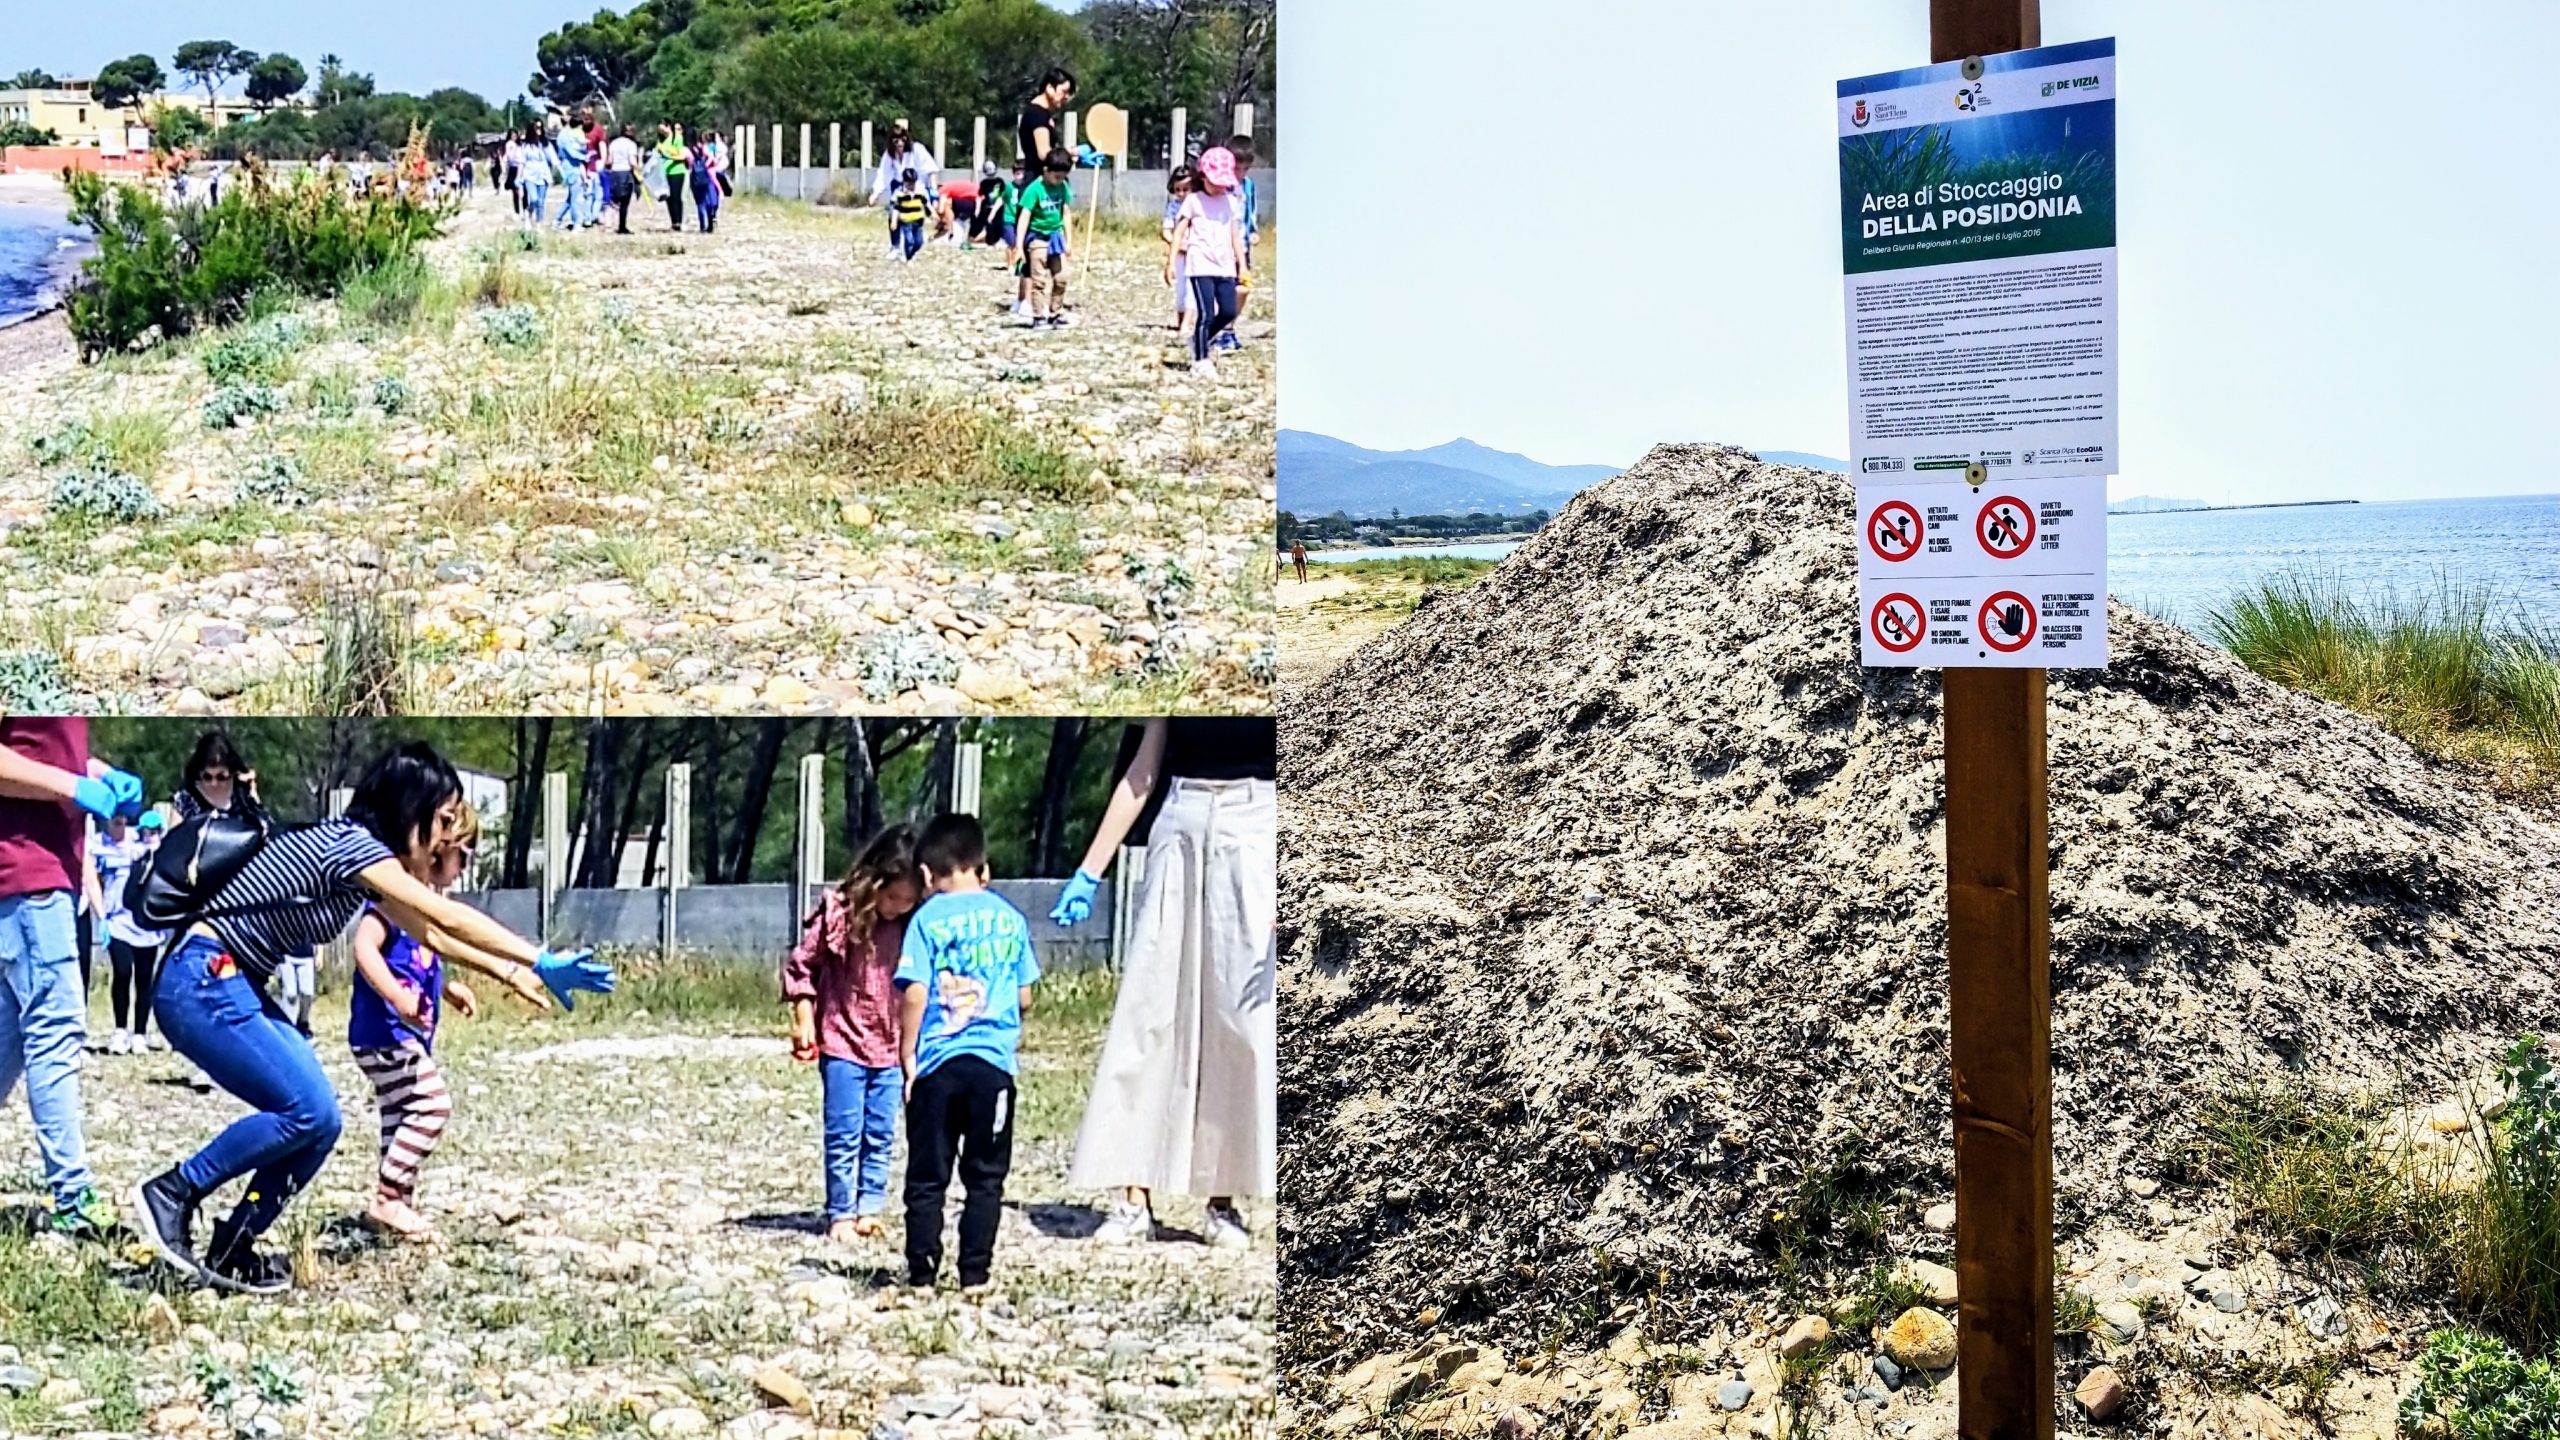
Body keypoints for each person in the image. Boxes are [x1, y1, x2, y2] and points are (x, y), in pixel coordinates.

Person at [128, 741, 618, 1295]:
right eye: (444, 818)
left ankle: (236, 1241)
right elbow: (443, 914)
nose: (445, 838)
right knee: (304, 1111)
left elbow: (429, 933)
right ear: (412, 808)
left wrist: (511, 972)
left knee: (321, 1122)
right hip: (202, 977)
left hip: (226, 980)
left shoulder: (360, 861)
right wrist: (538, 955)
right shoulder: (351, 845)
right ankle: (175, 1191)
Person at [1054, 718, 1276, 1249]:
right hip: (1179, 821)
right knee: (1150, 1012)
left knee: (1239, 1023)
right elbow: (1141, 772)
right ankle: (1133, 1198)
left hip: (1258, 822)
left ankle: (1222, 1200)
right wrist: (1090, 870)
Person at [0, 718, 140, 1238]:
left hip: (35, 878)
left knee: (10, 1042)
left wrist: (98, 774)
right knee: (55, 1035)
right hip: (31, 875)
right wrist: (72, 787)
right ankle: (72, 1195)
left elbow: (37, 750)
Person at [348, 801, 503, 1241]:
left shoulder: (428, 902)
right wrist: (397, 996)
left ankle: (394, 1210)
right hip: (385, 1032)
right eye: (464, 855)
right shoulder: (396, 896)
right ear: (439, 850)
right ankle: (388, 1196)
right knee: (433, 1104)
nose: (462, 867)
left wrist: (447, 988)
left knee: (400, 1114)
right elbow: (365, 946)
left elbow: (421, 958)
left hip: (397, 1032)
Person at [897, 814, 1040, 1291]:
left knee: (927, 1175)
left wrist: (907, 1054)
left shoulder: (925, 919)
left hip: (938, 1064)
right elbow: (1024, 996)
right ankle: (974, 1273)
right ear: (983, 868)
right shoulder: (1011, 919)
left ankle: (921, 1270)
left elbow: (915, 991)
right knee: (985, 1177)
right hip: (993, 1068)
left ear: (925, 874)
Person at [785, 825, 923, 1244]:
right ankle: (841, 1212)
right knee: (844, 1129)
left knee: (881, 1131)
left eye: (907, 900)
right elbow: (801, 966)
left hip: (891, 1047)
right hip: (841, 1039)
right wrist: (804, 1017)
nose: (897, 908)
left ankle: (870, 1207)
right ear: (873, 881)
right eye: (891, 897)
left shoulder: (916, 926)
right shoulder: (840, 914)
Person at [92, 806, 167, 1055]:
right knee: (122, 972)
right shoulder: (107, 846)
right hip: (117, 921)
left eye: (154, 830)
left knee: (145, 978)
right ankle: (120, 1030)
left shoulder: (159, 851)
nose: (149, 834)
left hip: (147, 923)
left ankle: (140, 1034)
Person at [1169, 147, 1248, 376]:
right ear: (1203, 177)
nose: (1220, 187)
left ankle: (1198, 340)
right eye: (1215, 182)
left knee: (1228, 311)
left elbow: (1235, 235)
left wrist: (1241, 265)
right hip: (1200, 264)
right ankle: (1201, 360)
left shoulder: (1230, 202)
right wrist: (1171, 262)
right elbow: (1179, 231)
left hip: (1224, 265)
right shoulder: (1194, 201)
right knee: (1206, 314)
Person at [1011, 70, 1074, 313]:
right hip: (1037, 182)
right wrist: (1071, 155)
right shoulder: (1037, 115)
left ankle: (1023, 300)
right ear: (1049, 87)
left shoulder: (1043, 115)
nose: (1065, 98)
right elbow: (1043, 152)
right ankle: (1026, 301)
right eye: (1064, 91)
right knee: (1033, 243)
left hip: (1042, 179)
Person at [1007, 148, 1075, 329]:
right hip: (1037, 238)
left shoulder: (1063, 187)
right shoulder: (1034, 190)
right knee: (1039, 279)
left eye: (1063, 177)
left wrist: (1069, 242)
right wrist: (1019, 246)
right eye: (1056, 177)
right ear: (1046, 170)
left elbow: (1066, 213)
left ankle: (1056, 312)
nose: (1059, 181)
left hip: (1056, 237)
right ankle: (1039, 316)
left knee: (1061, 277)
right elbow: (1024, 218)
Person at [870, 122, 940, 253]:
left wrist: (934, 195)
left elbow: (931, 171)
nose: (900, 143)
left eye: (903, 139)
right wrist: (875, 193)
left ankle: (914, 243)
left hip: (917, 185)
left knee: (913, 217)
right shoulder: (889, 154)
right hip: (898, 186)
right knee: (893, 213)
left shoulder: (917, 149)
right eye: (896, 141)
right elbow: (883, 174)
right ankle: (895, 246)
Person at [1221, 136, 1262, 354]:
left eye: (1246, 168)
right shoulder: (1221, 185)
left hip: (1243, 245)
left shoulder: (1248, 186)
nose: (1241, 173)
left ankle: (1229, 326)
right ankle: (1225, 330)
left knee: (1243, 288)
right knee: (1225, 288)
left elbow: (1251, 211)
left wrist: (1254, 231)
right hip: (1222, 245)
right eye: (1237, 168)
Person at [1162, 165, 1197, 337]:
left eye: (1185, 189)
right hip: (1180, 254)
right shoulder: (1173, 207)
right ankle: (1180, 320)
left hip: (1197, 253)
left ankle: (1186, 324)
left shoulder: (1198, 205)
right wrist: (1175, 243)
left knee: (1192, 289)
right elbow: (1166, 230)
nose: (1181, 193)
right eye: (1177, 190)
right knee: (1181, 290)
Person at [655, 123, 691, 233]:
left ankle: (679, 222)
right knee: (669, 198)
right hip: (666, 172)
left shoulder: (678, 138)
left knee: (676, 197)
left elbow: (682, 155)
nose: (661, 131)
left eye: (663, 128)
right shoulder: (664, 141)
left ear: (668, 126)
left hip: (677, 171)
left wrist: (668, 156)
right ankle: (673, 222)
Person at [607, 124, 641, 234]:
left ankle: (608, 224)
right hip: (625, 173)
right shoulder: (631, 145)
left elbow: (609, 161)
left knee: (613, 201)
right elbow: (632, 162)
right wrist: (639, 170)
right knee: (624, 203)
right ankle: (622, 226)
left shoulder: (614, 143)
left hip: (614, 173)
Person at [892, 169, 930, 262]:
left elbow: (926, 204)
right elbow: (896, 208)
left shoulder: (920, 192)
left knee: (919, 242)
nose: (911, 186)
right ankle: (908, 256)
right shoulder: (900, 193)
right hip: (906, 221)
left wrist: (933, 214)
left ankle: (912, 253)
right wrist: (894, 221)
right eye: (909, 183)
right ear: (904, 182)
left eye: (913, 183)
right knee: (909, 241)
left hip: (918, 221)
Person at [690, 134, 723, 233]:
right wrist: (707, 165)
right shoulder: (706, 149)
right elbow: (713, 159)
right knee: (710, 202)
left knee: (700, 203)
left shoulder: (691, 151)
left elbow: (689, 163)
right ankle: (709, 223)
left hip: (696, 180)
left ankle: (703, 226)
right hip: (706, 178)